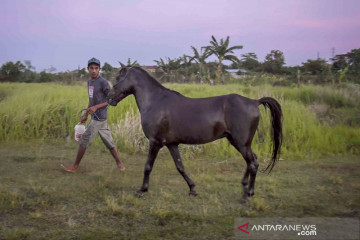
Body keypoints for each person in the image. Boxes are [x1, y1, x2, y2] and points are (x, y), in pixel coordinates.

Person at [61, 57, 125, 172]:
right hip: (96, 117)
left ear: (99, 69)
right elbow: (91, 100)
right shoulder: (90, 81)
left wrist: (96, 107)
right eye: (91, 68)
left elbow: (112, 100)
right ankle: (120, 163)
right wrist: (86, 114)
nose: (94, 70)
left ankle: (74, 166)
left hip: (99, 118)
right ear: (88, 69)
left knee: (84, 141)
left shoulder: (103, 83)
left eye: (96, 68)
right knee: (109, 142)